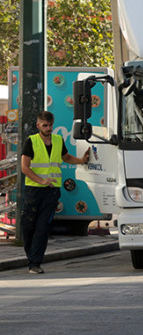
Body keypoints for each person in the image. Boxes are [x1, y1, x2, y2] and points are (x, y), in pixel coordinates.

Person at [20, 110, 90, 274]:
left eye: (51, 125)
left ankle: (35, 262)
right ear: (38, 125)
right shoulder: (31, 141)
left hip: (52, 192)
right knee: (27, 225)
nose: (48, 128)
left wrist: (81, 161)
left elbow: (66, 157)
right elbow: (25, 167)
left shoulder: (58, 140)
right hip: (34, 190)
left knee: (42, 227)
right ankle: (31, 255)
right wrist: (41, 180)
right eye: (45, 125)